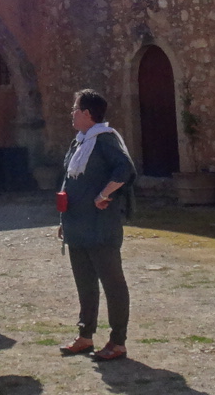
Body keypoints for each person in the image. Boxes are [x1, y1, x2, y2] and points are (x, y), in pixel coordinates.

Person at [56, 89, 133, 362]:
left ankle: (118, 341)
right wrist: (63, 220)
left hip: (100, 227)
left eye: (75, 109)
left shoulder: (105, 139)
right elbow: (69, 180)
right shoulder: (79, 142)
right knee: (85, 283)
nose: (72, 114)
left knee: (113, 284)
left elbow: (125, 169)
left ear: (88, 114)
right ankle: (85, 335)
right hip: (77, 225)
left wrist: (104, 194)